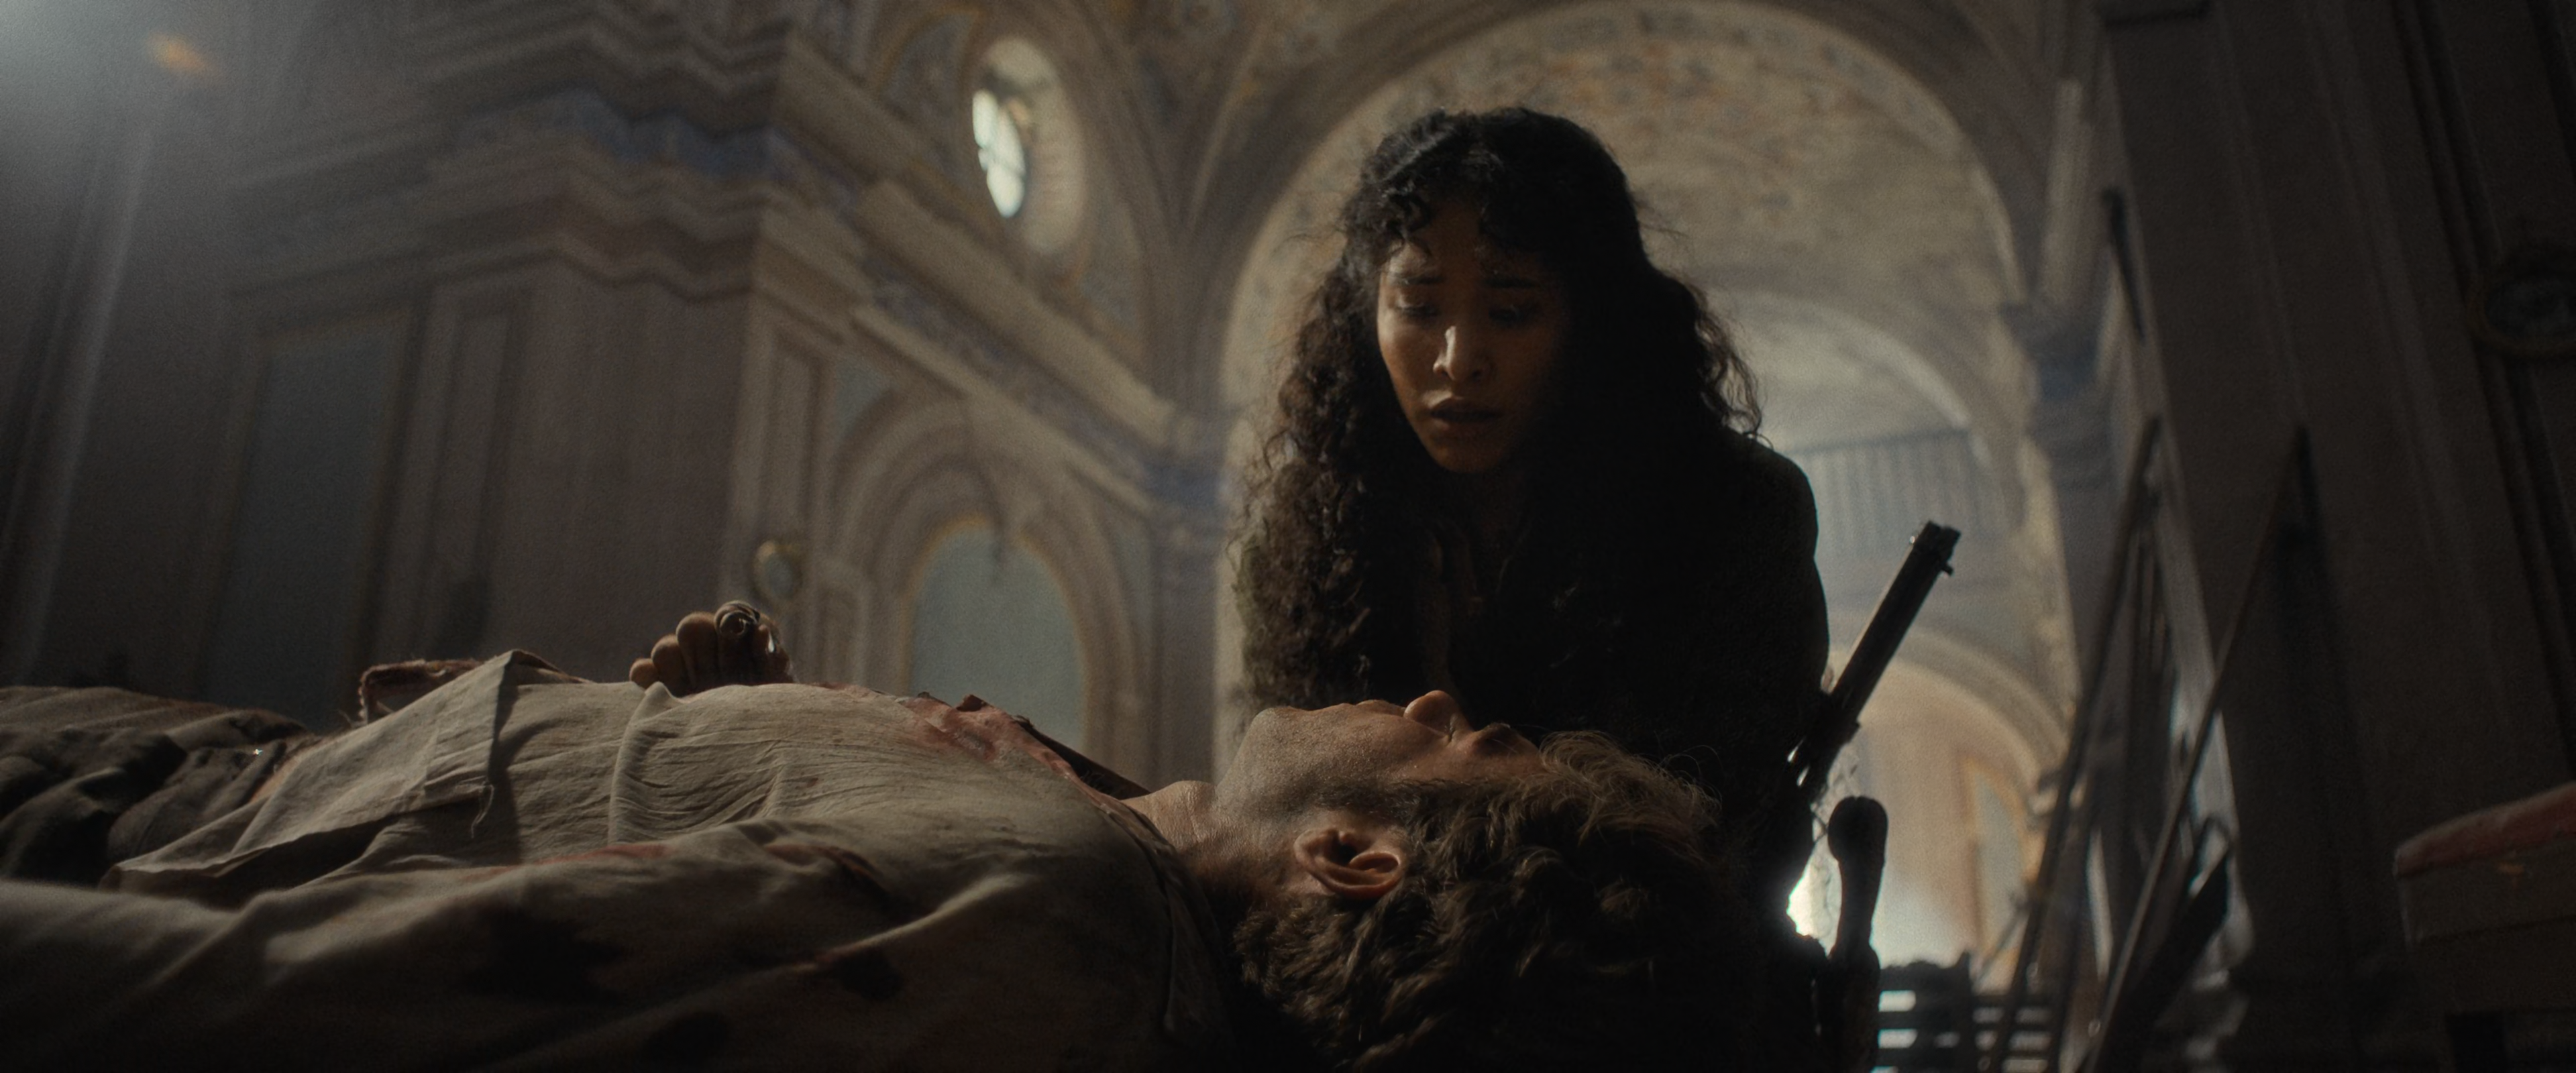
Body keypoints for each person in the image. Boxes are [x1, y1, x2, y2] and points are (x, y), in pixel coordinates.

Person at [0, 609, 1756, 1072]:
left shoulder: (1047, 923)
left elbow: (260, 1009)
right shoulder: (1093, 851)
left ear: (1357, 858)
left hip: (115, 826)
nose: (1439, 697)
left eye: (1469, 743)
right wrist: (717, 731)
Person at [1234, 107, 1831, 878]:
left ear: (1592, 322)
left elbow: (1716, 820)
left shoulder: (1733, 509)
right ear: (1366, 313)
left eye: (1511, 311)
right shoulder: (1312, 530)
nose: (1458, 359)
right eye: (1418, 307)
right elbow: (1289, 796)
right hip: (1376, 926)